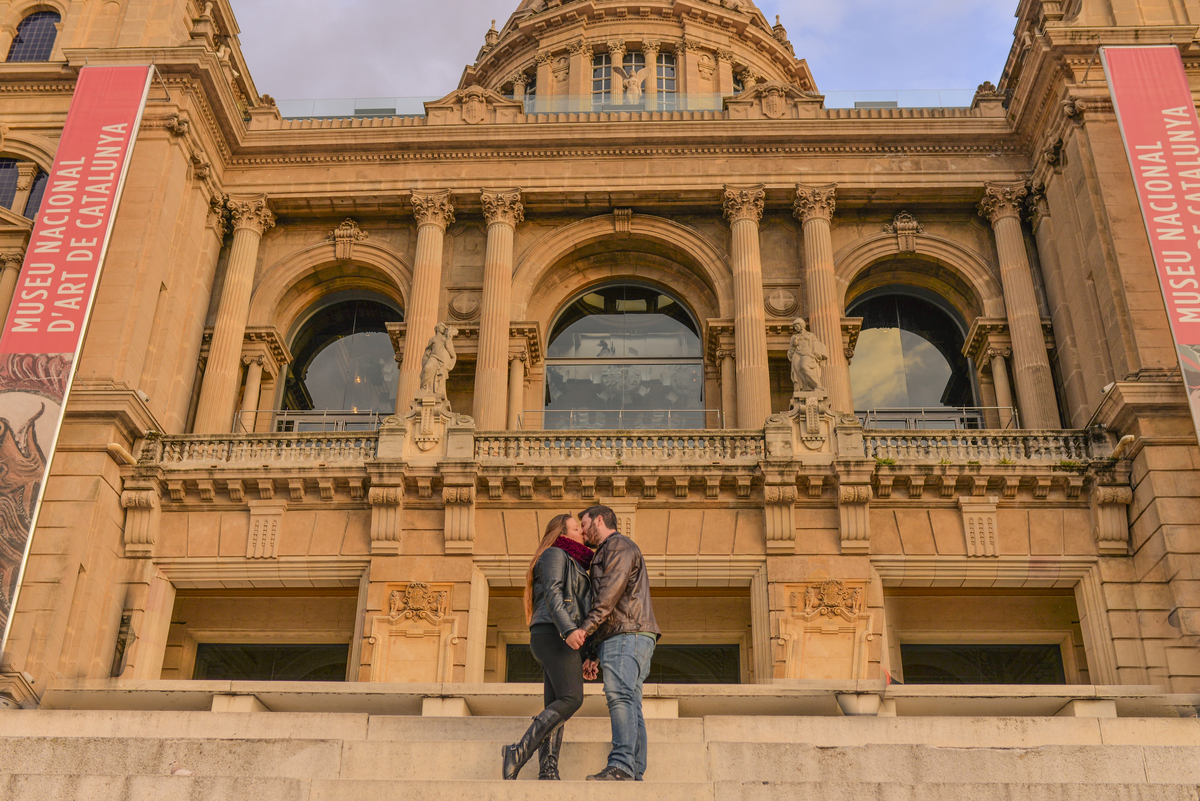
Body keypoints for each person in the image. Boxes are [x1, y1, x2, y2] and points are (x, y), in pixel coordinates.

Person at [566, 505, 661, 781]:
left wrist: (584, 630)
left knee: (619, 696)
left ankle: (621, 765)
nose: (583, 532)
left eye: (584, 525)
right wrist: (594, 654)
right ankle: (634, 769)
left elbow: (608, 596)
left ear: (599, 520)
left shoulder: (618, 546)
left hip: (627, 636)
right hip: (629, 635)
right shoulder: (612, 549)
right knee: (630, 701)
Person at [501, 513, 596, 780]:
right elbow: (554, 593)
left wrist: (589, 653)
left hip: (555, 634)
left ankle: (548, 769)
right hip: (554, 633)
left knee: (556, 704)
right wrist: (568, 631)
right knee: (572, 698)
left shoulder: (574, 562)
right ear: (562, 534)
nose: (582, 533)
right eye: (576, 529)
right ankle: (518, 751)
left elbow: (579, 607)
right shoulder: (555, 553)